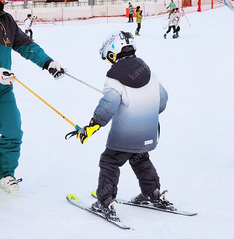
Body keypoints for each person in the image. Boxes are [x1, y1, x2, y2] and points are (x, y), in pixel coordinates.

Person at [74, 31, 168, 218]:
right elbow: (163, 99)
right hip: (149, 132)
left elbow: (107, 107)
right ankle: (153, 193)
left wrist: (92, 125)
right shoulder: (151, 74)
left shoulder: (114, 80)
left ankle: (105, 200)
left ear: (112, 53)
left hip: (125, 135)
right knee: (140, 158)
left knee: (109, 161)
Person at [0, 0, 65, 193]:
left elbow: (25, 44)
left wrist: (47, 62)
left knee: (13, 132)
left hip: (3, 90)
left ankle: (5, 174)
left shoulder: (6, 21)